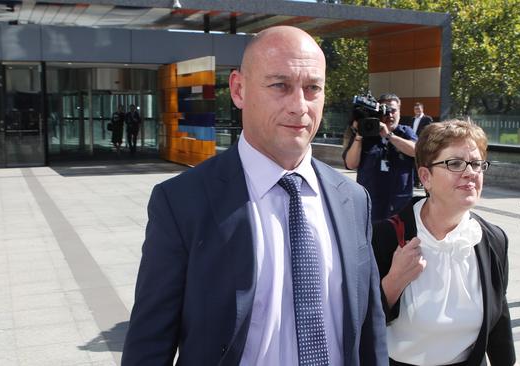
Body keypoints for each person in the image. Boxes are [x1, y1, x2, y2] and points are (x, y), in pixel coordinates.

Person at [122, 26, 388, 365]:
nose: (300, 106)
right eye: (280, 85)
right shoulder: (181, 202)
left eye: (313, 88)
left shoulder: (353, 199)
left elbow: (370, 329)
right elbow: (149, 343)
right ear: (238, 90)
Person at [371, 120, 516, 365]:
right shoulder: (384, 236)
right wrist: (393, 283)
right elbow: (356, 323)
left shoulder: (493, 239)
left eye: (477, 164)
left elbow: (499, 317)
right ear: (426, 177)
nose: (471, 172)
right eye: (455, 163)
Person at [342, 93, 417, 222]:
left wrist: (389, 136)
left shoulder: (405, 132)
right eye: (386, 110)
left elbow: (417, 151)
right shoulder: (367, 133)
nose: (390, 115)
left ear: (399, 112)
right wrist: (359, 135)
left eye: (393, 110)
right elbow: (350, 164)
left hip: (399, 205)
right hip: (370, 205)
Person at [410, 102, 434, 188]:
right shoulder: (412, 119)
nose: (417, 110)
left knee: (421, 162)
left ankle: (420, 181)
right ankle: (414, 181)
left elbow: (429, 131)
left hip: (422, 143)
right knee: (413, 162)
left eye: (419, 109)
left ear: (422, 109)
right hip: (413, 142)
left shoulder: (427, 119)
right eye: (416, 109)